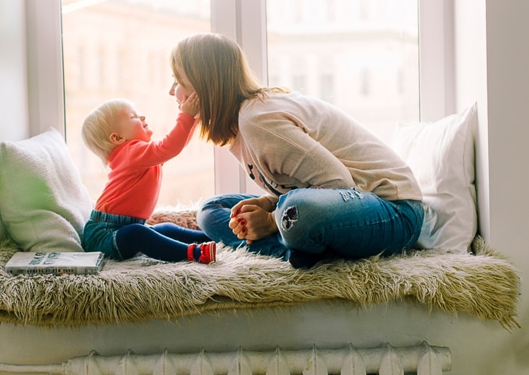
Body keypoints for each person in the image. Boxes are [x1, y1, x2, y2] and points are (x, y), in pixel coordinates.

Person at [168, 33, 424, 269]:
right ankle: (295, 250)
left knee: (296, 210)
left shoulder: (258, 120)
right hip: (342, 205)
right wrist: (269, 205)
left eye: (178, 81)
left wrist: (270, 220)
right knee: (213, 209)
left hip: (394, 211)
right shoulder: (241, 126)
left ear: (205, 87)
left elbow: (339, 184)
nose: (172, 91)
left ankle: (292, 243)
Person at [81, 97, 216, 264]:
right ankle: (193, 253)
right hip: (104, 235)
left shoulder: (138, 155)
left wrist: (194, 120)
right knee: (137, 234)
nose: (142, 117)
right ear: (117, 138)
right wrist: (186, 116)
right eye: (133, 117)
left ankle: (211, 237)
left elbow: (174, 147)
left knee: (165, 229)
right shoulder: (130, 153)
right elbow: (169, 147)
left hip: (123, 227)